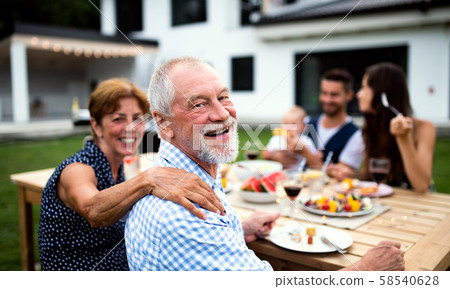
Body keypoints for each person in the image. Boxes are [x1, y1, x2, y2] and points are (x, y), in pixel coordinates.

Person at [125, 57, 405, 271]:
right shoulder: (183, 214)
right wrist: (366, 270)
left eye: (223, 97)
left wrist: (239, 230)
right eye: (198, 104)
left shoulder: (189, 173)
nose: (222, 113)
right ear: (163, 122)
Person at [38, 78, 225, 271]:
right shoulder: (77, 168)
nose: (130, 128)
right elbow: (93, 211)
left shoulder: (117, 166)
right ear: (96, 126)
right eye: (118, 119)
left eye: (137, 119)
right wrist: (148, 179)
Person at [334, 62, 435, 193]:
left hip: (421, 206)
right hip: (389, 203)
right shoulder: (371, 128)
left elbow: (421, 186)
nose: (359, 94)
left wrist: (403, 137)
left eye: (365, 88)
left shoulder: (424, 128)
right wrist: (350, 175)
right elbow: (369, 174)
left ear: (383, 93)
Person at [304, 69, 365, 176]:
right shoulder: (307, 122)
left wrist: (307, 155)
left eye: (334, 95)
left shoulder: (356, 136)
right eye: (324, 93)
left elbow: (341, 176)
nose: (327, 100)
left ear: (349, 95)